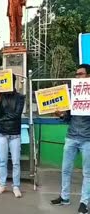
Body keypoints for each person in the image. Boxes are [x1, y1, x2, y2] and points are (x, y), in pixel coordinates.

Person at [50, 64, 90, 214]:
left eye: (81, 74)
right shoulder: (73, 94)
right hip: (71, 137)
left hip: (88, 139)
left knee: (87, 173)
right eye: (76, 74)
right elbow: (68, 117)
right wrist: (61, 115)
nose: (78, 76)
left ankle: (84, 203)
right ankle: (64, 197)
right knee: (65, 169)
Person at [0, 74, 25, 198]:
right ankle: (2, 184)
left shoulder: (20, 97)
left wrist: (2, 120)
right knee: (2, 161)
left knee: (16, 162)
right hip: (3, 134)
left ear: (13, 82)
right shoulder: (1, 97)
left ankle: (16, 186)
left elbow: (17, 114)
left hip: (15, 134)